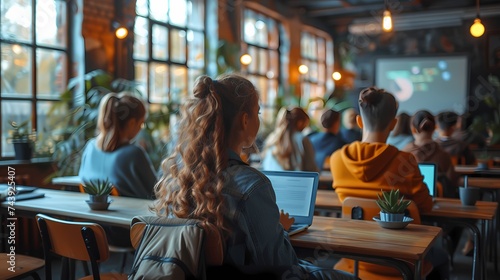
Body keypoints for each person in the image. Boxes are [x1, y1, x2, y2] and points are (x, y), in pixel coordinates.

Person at [153, 74, 357, 279]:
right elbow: (282, 265)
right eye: (257, 112)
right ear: (244, 120)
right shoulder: (252, 185)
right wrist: (280, 230)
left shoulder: (176, 177)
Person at [330, 87, 450, 279]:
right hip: (400, 260)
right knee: (442, 257)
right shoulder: (406, 161)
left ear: (359, 122)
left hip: (354, 259)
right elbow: (425, 206)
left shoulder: (337, 159)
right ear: (393, 124)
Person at [79, 92, 157, 199]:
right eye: (141, 124)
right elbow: (156, 192)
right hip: (131, 214)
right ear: (132, 123)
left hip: (90, 214)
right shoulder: (133, 154)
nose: (141, 128)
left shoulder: (90, 147)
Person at [402, 110, 459, 198]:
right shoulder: (444, 156)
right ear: (435, 128)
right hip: (436, 204)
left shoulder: (404, 153)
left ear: (413, 129)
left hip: (408, 203)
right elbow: (453, 183)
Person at [260, 106, 319, 172]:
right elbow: (311, 169)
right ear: (300, 122)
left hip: (271, 181)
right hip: (297, 181)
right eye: (306, 125)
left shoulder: (271, 139)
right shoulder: (302, 139)